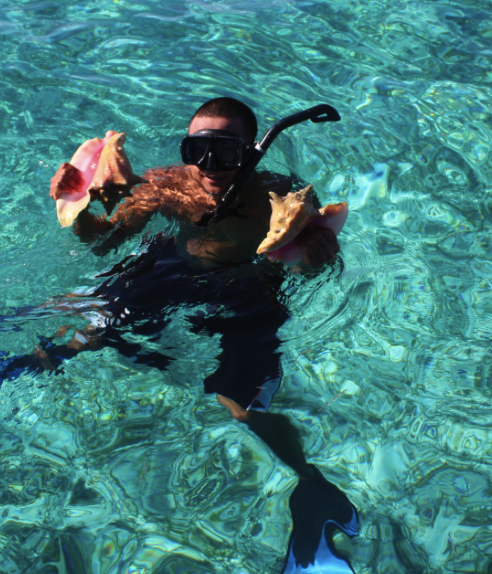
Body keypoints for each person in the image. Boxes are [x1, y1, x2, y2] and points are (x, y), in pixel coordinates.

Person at [48, 97, 361, 573]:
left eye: (225, 152)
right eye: (198, 150)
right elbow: (104, 241)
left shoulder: (282, 199)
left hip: (248, 289)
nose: (209, 167)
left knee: (239, 406)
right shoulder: (167, 185)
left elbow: (312, 271)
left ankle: (311, 486)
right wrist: (76, 205)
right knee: (81, 333)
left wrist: (315, 256)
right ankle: (12, 367)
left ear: (252, 152)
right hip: (172, 267)